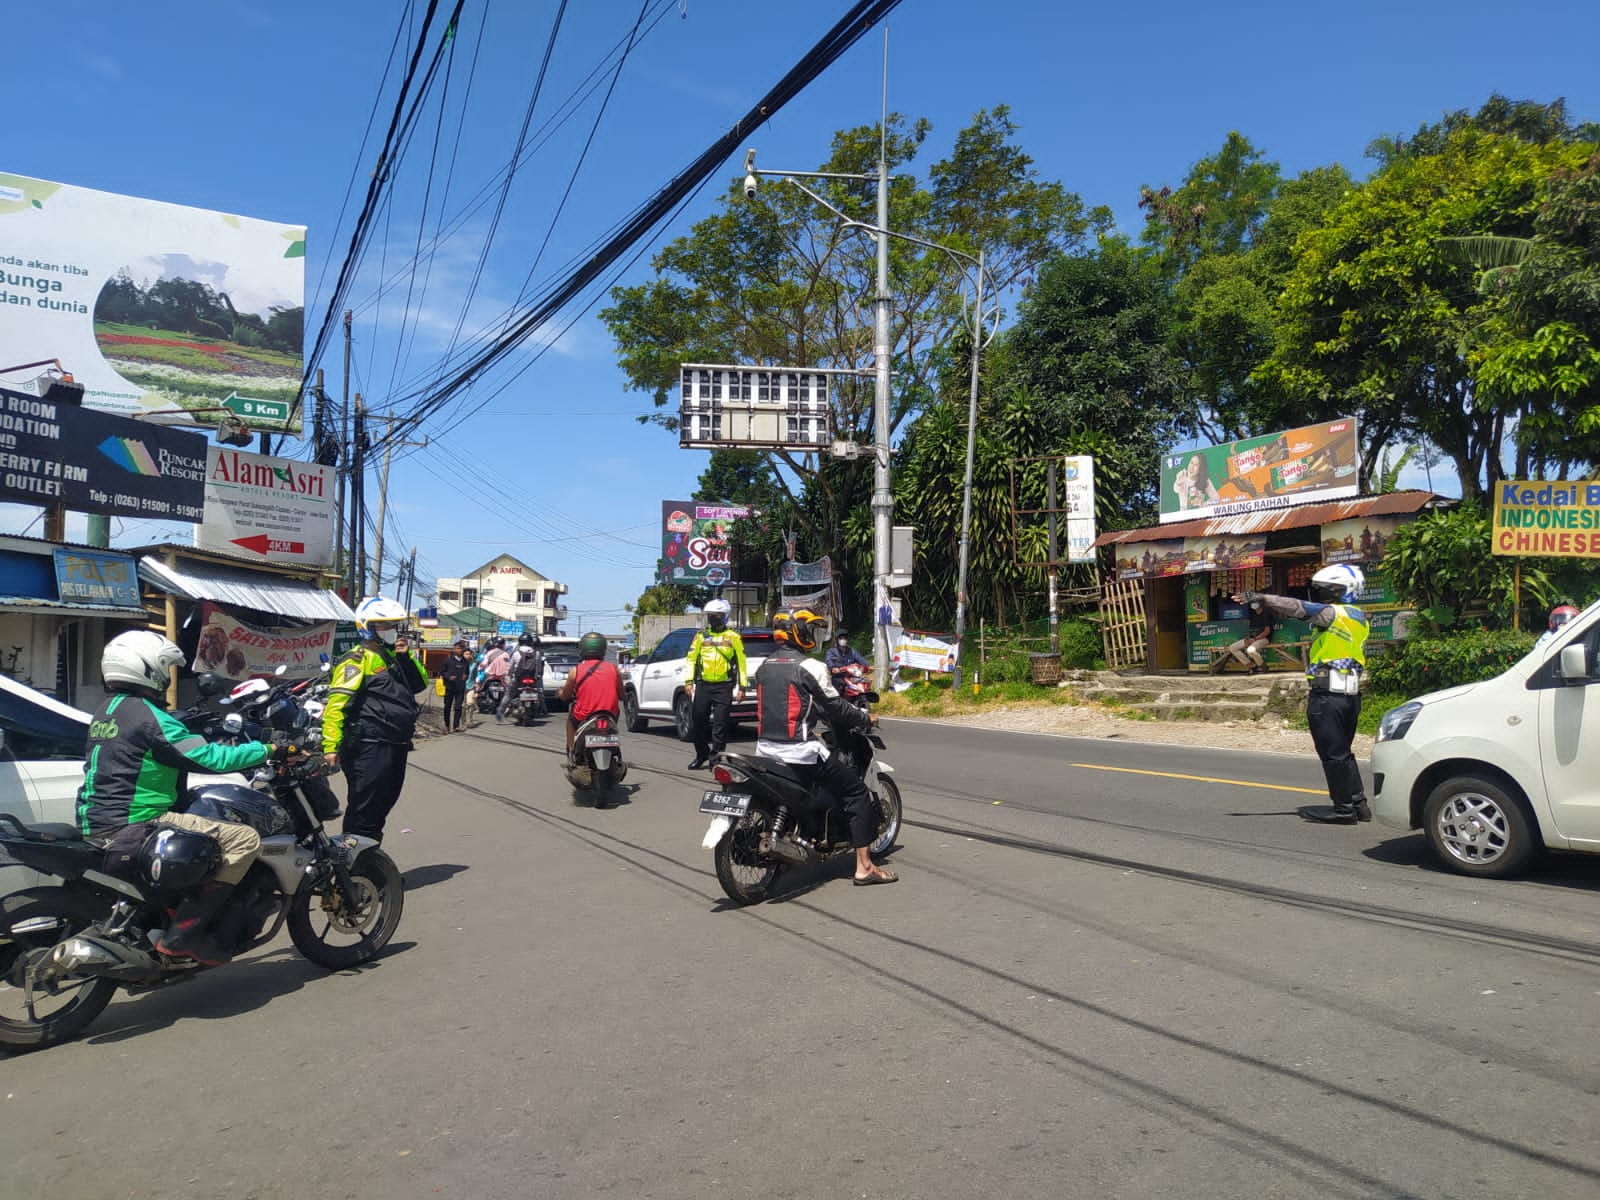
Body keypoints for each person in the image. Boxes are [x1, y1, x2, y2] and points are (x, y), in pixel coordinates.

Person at [76, 630, 286, 964]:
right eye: (164, 670)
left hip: (97, 820)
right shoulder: (151, 719)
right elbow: (212, 759)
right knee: (244, 839)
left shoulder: (108, 710)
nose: (166, 678)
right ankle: (184, 936)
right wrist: (270, 748)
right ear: (146, 669)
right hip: (137, 824)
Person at [754, 607, 897, 885]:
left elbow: (789, 703)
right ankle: (865, 867)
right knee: (855, 792)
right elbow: (834, 707)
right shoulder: (811, 667)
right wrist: (865, 717)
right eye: (811, 630)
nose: (815, 636)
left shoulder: (765, 666)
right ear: (800, 632)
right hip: (801, 751)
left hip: (766, 751)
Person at [1235, 564, 1371, 823]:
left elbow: (1297, 608)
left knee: (1332, 754)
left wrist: (1263, 598)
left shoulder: (1333, 614)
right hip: (1350, 697)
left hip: (1328, 696)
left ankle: (1343, 809)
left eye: (1326, 590)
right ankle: (1358, 804)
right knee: (1343, 752)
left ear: (1339, 592)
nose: (1320, 595)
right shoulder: (1359, 617)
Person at [322, 596, 428, 843]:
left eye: (393, 625)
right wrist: (330, 746)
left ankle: (370, 863)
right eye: (384, 626)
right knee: (364, 810)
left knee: (382, 807)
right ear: (367, 627)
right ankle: (351, 868)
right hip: (369, 744)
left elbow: (418, 685)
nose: (391, 631)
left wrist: (405, 657)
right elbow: (337, 705)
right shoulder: (357, 660)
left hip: (396, 743)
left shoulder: (393, 657)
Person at [557, 632, 629, 802]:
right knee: (614, 723)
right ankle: (614, 753)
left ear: (582, 649)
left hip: (585, 716)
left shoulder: (576, 671)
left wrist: (560, 693)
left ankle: (572, 752)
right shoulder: (613, 669)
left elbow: (566, 695)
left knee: (570, 719)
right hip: (609, 715)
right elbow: (622, 695)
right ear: (603, 649)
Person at [684, 598, 748, 770]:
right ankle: (701, 754)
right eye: (710, 615)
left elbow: (742, 663)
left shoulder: (733, 637)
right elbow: (691, 659)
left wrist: (742, 687)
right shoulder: (701, 636)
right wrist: (689, 681)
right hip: (703, 685)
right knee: (697, 722)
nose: (713, 618)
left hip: (724, 686)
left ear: (725, 617)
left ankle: (716, 758)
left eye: (717, 616)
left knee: (720, 726)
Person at [1211, 598, 1273, 675]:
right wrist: (1247, 639)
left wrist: (1254, 639)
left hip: (1263, 639)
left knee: (1250, 650)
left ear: (1260, 604)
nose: (1253, 605)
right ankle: (1252, 666)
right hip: (1251, 638)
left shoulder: (1266, 614)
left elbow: (1267, 631)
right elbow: (1249, 629)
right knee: (1232, 648)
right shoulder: (1252, 615)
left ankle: (1262, 665)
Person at [497, 633, 543, 722]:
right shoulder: (537, 653)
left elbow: (511, 667)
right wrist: (537, 677)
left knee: (508, 695)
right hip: (532, 679)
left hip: (518, 679)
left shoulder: (516, 653)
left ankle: (500, 712)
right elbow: (539, 668)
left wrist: (509, 675)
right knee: (540, 694)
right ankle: (543, 709)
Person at [439, 640, 473, 731]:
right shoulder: (448, 660)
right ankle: (447, 725)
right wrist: (448, 677)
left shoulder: (465, 662)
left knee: (458, 707)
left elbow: (467, 672)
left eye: (460, 648)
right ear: (454, 649)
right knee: (447, 706)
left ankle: (456, 725)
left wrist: (465, 676)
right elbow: (442, 672)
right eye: (457, 648)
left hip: (460, 688)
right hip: (450, 687)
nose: (459, 650)